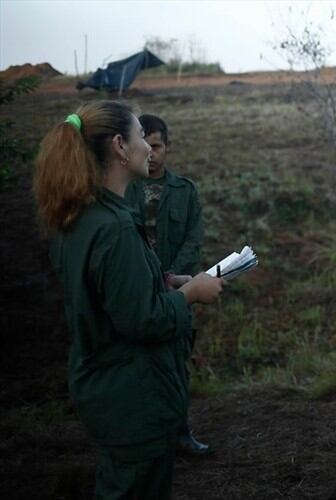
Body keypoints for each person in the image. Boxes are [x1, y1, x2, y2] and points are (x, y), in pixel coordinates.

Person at [32, 100, 224, 499]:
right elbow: (144, 321)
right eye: (140, 137)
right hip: (133, 396)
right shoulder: (115, 227)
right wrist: (191, 292)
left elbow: (110, 296)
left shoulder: (79, 215)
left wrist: (161, 280)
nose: (147, 149)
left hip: (105, 389)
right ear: (120, 146)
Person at [124, 114, 208, 455]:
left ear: (166, 148)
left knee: (176, 365)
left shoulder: (184, 191)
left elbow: (194, 238)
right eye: (148, 145)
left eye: (157, 146)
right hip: (138, 292)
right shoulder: (124, 190)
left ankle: (181, 432)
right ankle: (146, 436)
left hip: (176, 291)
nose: (152, 153)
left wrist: (172, 276)